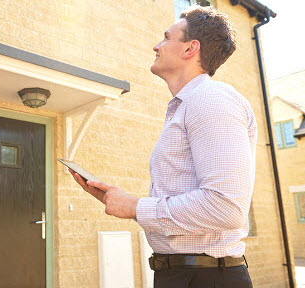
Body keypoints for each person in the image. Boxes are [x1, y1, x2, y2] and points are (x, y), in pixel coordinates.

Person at [69, 5, 257, 288]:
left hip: (206, 278)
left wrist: (135, 206)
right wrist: (118, 201)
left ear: (190, 49)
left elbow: (226, 207)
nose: (156, 45)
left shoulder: (212, 100)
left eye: (166, 37)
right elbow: (184, 214)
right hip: (180, 274)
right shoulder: (188, 106)